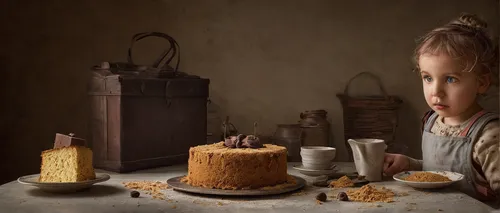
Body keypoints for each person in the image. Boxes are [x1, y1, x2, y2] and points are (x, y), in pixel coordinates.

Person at [383, 13, 499, 202]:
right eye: (428, 78)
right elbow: (440, 172)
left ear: (482, 83)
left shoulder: (489, 136)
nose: (436, 91)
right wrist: (410, 164)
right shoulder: (431, 122)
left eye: (451, 79)